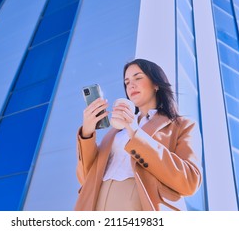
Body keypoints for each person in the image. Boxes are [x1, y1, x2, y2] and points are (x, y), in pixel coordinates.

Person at [75, 59, 202, 211]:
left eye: (138, 77)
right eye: (127, 82)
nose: (131, 85)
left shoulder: (183, 125)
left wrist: (135, 132)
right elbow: (86, 178)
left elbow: (189, 182)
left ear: (156, 84)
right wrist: (87, 134)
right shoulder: (115, 132)